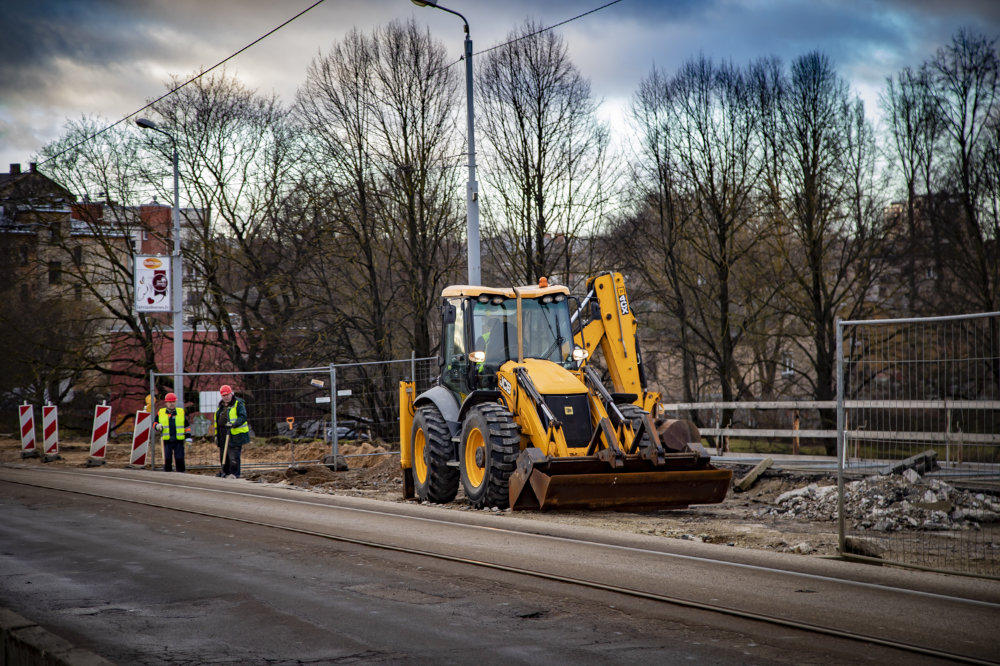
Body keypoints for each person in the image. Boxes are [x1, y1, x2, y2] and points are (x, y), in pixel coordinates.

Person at [215, 384, 249, 478]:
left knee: (233, 457)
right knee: (224, 456)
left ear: (231, 393)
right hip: (222, 434)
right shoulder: (221, 406)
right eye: (224, 395)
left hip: (234, 435)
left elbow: (243, 417)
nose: (226, 397)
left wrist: (234, 424)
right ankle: (226, 473)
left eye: (227, 395)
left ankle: (234, 475)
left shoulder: (238, 403)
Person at [154, 392, 189, 473]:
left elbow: (186, 426)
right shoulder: (161, 413)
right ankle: (168, 474)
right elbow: (154, 423)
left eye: (173, 402)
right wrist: (157, 426)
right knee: (167, 459)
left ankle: (181, 474)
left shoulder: (181, 412)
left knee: (179, 458)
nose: (171, 404)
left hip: (178, 441)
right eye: (169, 402)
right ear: (166, 403)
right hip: (167, 441)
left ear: (175, 402)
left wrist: (188, 438)